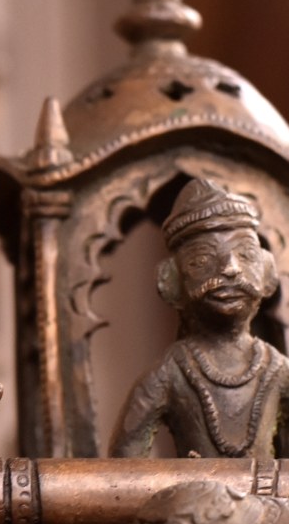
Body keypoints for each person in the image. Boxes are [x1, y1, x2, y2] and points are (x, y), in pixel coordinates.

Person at [110, 177, 289, 458]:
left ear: (268, 273)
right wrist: (181, 478)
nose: (230, 268)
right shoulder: (171, 372)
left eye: (246, 255)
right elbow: (125, 460)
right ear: (171, 282)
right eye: (202, 261)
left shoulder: (278, 370)